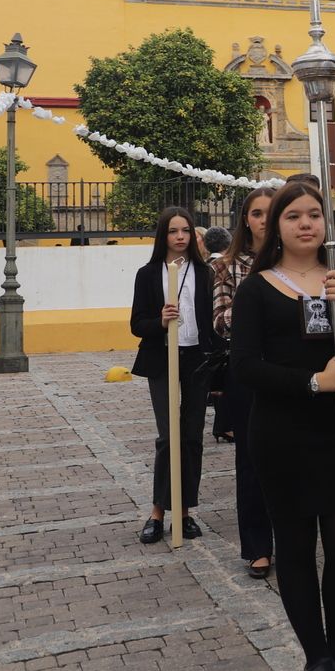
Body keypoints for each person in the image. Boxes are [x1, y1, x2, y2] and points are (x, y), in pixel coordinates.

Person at [229, 181, 335, 671]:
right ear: (276, 226)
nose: (305, 224)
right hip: (283, 436)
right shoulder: (257, 289)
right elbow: (245, 367)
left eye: (314, 214)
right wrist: (312, 382)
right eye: (292, 215)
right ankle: (316, 657)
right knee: (296, 548)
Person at [129, 206, 217, 544]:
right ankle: (157, 512)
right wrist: (161, 321)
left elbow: (214, 320)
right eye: (173, 231)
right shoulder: (148, 274)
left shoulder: (206, 272)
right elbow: (137, 324)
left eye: (185, 231)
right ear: (162, 235)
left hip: (197, 358)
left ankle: (185, 512)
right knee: (169, 437)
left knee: (192, 436)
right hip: (161, 357)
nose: (180, 237)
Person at [212, 186, 277, 579]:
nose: (264, 220)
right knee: (251, 460)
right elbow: (222, 321)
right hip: (250, 373)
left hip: (293, 369)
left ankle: (291, 536)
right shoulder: (228, 265)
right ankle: (257, 547)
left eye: (271, 212)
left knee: (291, 459)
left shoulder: (300, 260)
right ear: (245, 220)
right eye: (256, 213)